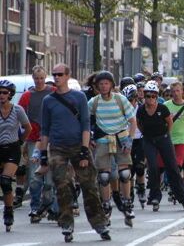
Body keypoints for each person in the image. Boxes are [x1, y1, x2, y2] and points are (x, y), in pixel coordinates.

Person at [38, 63, 110, 242]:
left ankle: (99, 223)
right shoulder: (48, 101)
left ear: (68, 76)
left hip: (78, 146)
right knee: (62, 186)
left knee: (89, 187)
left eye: (60, 74)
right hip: (57, 148)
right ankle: (67, 224)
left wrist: (85, 152)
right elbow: (45, 130)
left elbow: (85, 124)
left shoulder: (78, 97)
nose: (56, 77)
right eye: (54, 74)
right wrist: (43, 156)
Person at [88, 71, 137, 227]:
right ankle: (106, 206)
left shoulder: (120, 100)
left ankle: (127, 203)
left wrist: (129, 139)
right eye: (100, 84)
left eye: (106, 83)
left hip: (121, 138)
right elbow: (85, 120)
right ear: (97, 86)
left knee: (124, 173)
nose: (103, 86)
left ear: (111, 85)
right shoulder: (94, 102)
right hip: (103, 139)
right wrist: (89, 136)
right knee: (103, 176)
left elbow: (132, 121)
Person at [136, 82, 184, 212]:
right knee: (153, 166)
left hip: (163, 139)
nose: (150, 99)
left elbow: (170, 122)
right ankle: (155, 196)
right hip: (149, 140)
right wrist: (146, 134)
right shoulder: (141, 110)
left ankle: (183, 197)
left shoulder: (162, 109)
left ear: (156, 97)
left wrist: (166, 135)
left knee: (172, 167)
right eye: (147, 96)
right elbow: (139, 124)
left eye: (152, 96)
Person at [17, 65, 58, 223]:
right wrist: (23, 140)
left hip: (51, 138)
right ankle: (35, 207)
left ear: (45, 77)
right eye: (36, 78)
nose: (39, 81)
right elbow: (20, 115)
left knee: (50, 178)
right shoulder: (27, 96)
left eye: (42, 78)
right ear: (33, 79)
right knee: (35, 176)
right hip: (34, 139)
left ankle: (52, 207)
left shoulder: (53, 92)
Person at [0, 80, 32, 231]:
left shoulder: (17, 110)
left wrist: (20, 141)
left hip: (12, 149)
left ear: (10, 94)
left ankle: (8, 211)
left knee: (6, 181)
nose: (1, 95)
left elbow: (28, 128)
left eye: (5, 92)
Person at [163, 82, 184, 200]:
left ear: (182, 91)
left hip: (182, 138)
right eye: (173, 91)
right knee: (172, 166)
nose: (176, 94)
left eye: (178, 91)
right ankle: (174, 186)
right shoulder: (166, 105)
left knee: (182, 164)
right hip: (169, 139)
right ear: (170, 93)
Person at [122, 84, 147, 209]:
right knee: (128, 170)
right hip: (127, 140)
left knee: (140, 167)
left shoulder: (142, 109)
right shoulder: (122, 109)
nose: (129, 103)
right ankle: (129, 192)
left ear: (136, 98)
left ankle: (141, 189)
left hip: (140, 139)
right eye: (127, 100)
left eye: (131, 100)